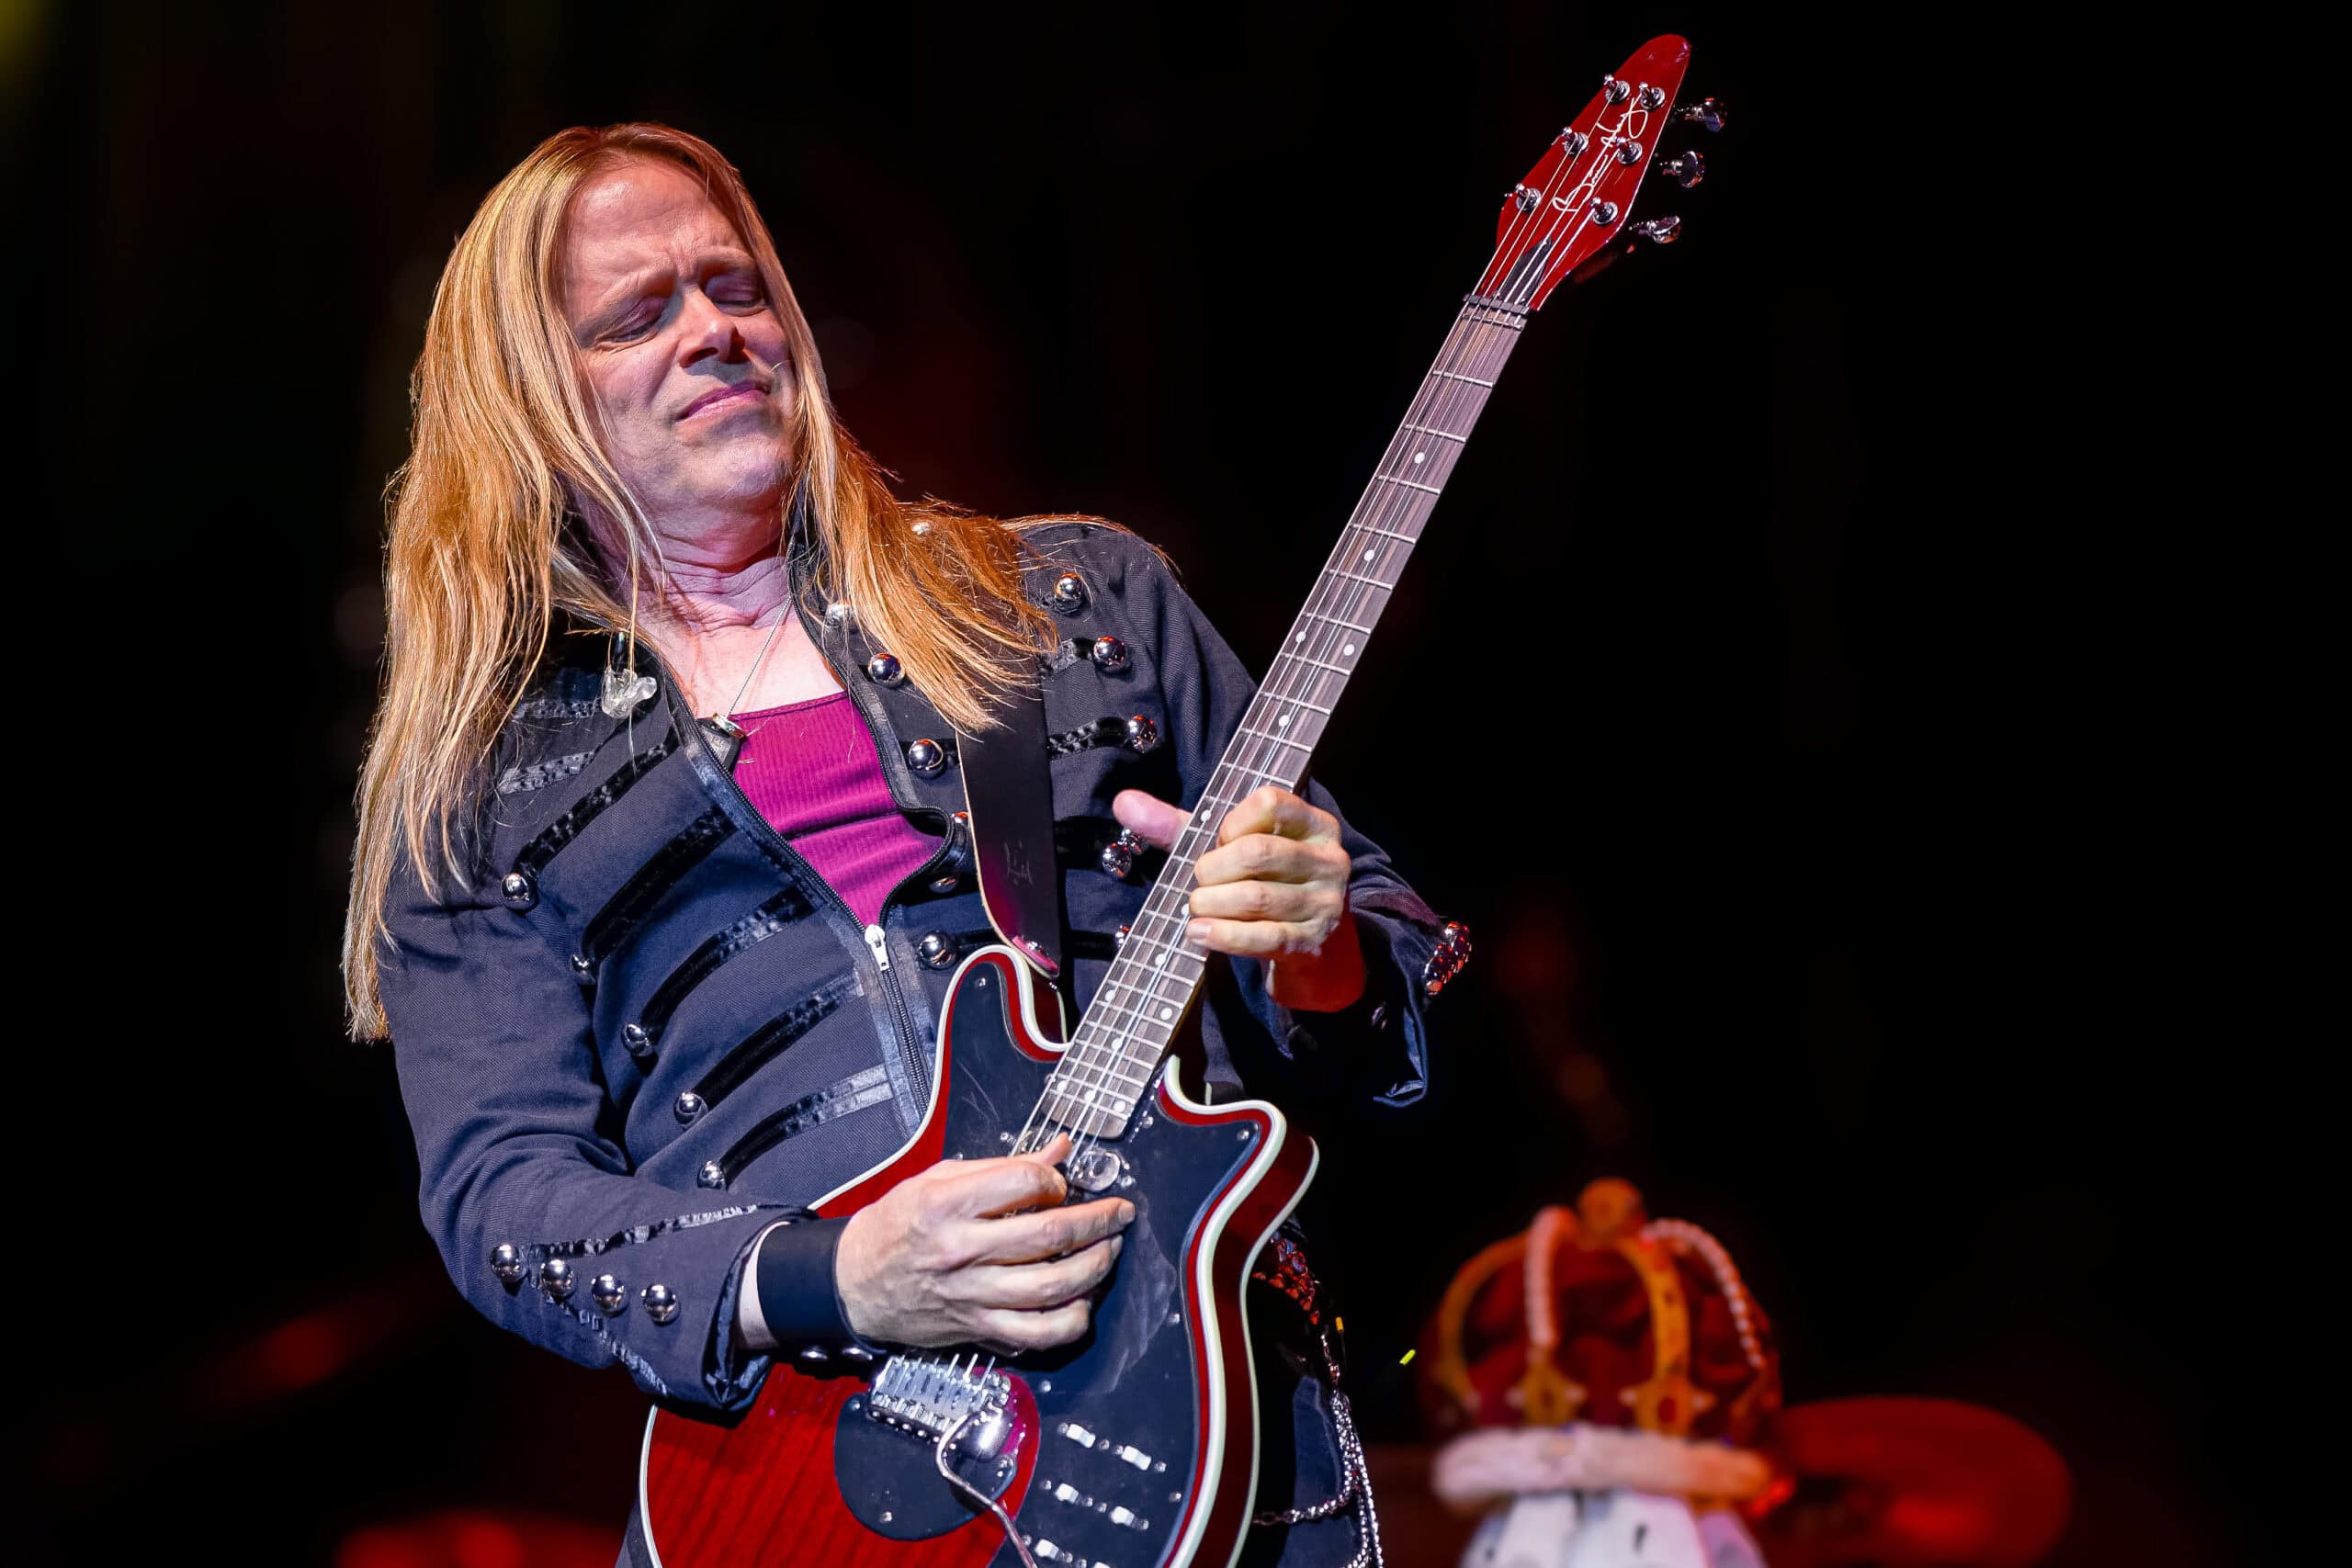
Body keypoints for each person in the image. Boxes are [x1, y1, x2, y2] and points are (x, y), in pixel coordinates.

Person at [345, 122, 1460, 1567]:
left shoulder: (1075, 599)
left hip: (1196, 1421)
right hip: (791, 1493)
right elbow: (504, 1202)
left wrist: (1320, 945)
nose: (714, 332)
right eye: (636, 314)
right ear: (527, 406)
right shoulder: (479, 785)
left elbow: (1385, 986)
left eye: (737, 287)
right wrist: (839, 1276)